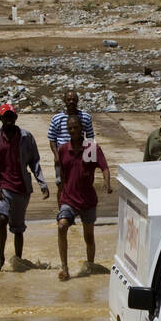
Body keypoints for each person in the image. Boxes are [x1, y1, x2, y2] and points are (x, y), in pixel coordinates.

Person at [0, 103, 48, 272]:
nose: (9, 120)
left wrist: (42, 183)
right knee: (2, 218)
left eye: (11, 116)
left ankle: (18, 260)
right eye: (6, 117)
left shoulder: (26, 137)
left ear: (16, 117)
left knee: (18, 229)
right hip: (2, 186)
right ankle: (1, 258)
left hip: (21, 187)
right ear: (1, 118)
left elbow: (34, 161)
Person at [55, 115, 111, 281]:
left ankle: (90, 266)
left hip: (87, 200)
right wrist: (61, 198)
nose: (73, 131)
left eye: (75, 128)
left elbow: (104, 167)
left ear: (82, 129)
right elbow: (63, 176)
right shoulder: (63, 149)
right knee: (61, 227)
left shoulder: (91, 148)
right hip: (69, 199)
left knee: (89, 237)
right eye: (70, 128)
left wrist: (107, 183)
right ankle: (64, 267)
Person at [47, 90, 94, 186]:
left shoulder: (85, 117)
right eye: (69, 100)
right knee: (61, 184)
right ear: (64, 101)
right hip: (62, 156)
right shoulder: (57, 118)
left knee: (81, 184)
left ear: (77, 100)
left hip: (79, 156)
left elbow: (90, 138)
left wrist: (89, 157)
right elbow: (52, 139)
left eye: (73, 99)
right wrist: (56, 156)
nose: (71, 102)